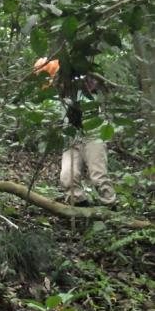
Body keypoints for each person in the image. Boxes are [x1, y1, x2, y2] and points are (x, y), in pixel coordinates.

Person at [34, 58, 117, 208]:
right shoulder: (50, 93)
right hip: (70, 136)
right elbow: (52, 114)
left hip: (93, 133)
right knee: (68, 178)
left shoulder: (81, 82)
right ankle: (80, 208)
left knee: (98, 176)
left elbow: (97, 82)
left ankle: (111, 207)